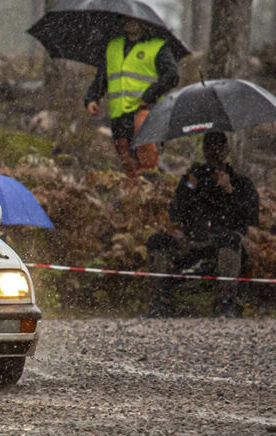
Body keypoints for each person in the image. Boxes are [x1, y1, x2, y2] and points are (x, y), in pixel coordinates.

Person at [146, 132, 259, 318]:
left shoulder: (241, 183)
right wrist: (190, 186)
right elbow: (175, 213)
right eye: (209, 147)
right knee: (157, 242)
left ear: (226, 150)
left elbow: (250, 216)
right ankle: (160, 302)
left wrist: (229, 191)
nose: (214, 152)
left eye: (219, 147)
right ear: (204, 150)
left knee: (230, 240)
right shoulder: (195, 178)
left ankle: (227, 302)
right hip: (194, 239)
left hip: (227, 241)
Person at [84, 17, 179, 179]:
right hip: (119, 114)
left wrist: (149, 95)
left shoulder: (157, 46)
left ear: (143, 21)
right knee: (127, 159)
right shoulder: (113, 46)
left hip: (145, 110)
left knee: (146, 152)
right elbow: (103, 77)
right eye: (127, 19)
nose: (130, 22)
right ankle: (135, 195)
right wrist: (92, 98)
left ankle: (153, 187)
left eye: (135, 19)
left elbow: (172, 76)